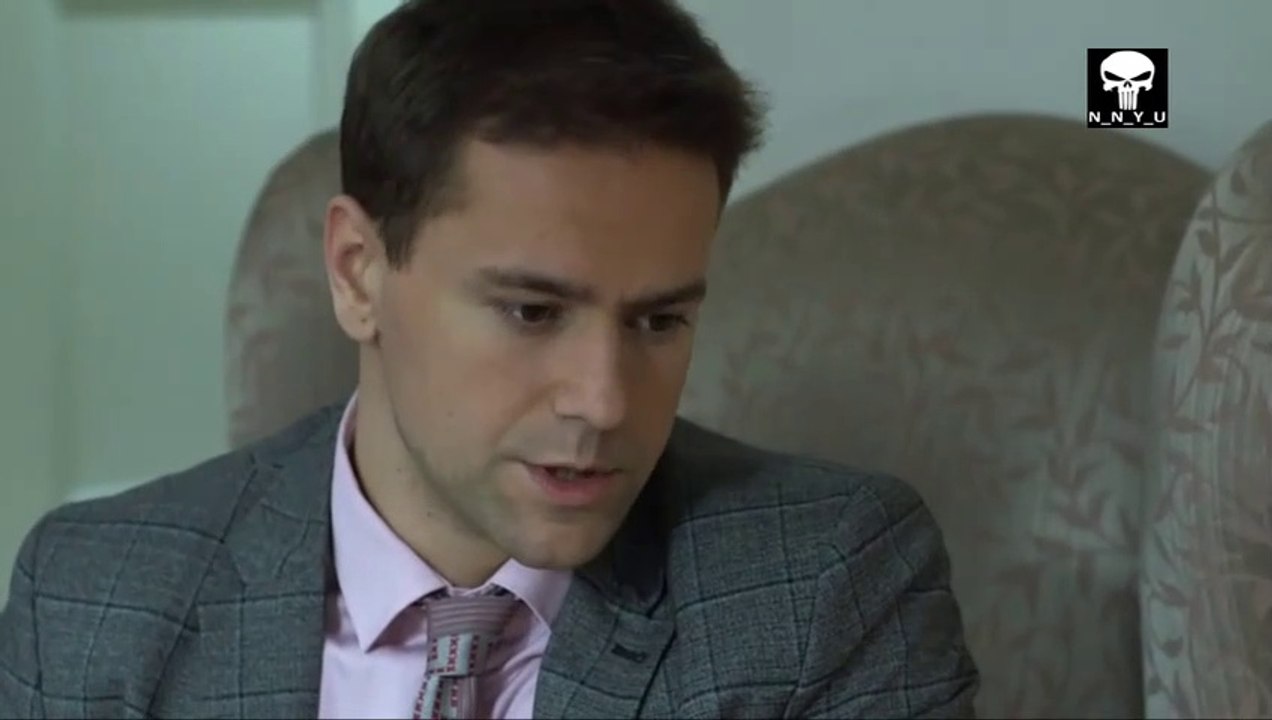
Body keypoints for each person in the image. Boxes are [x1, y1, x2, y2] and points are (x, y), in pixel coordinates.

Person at [0, 1, 979, 718]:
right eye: (531, 312)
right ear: (358, 274)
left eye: (657, 322)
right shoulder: (94, 603)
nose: (603, 402)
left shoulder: (825, 586)